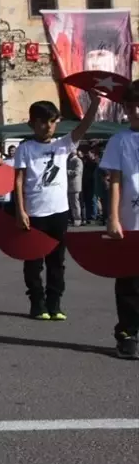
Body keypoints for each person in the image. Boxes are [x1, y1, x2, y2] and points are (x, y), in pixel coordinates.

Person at [14, 96, 99, 321]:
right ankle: (37, 302)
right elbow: (19, 181)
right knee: (33, 262)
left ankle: (55, 303)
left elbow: (84, 126)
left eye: (52, 121)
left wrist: (96, 103)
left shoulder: (63, 145)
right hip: (34, 214)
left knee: (57, 262)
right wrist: (21, 211)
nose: (48, 126)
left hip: (59, 213)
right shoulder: (25, 148)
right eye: (42, 121)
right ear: (32, 123)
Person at [101, 82, 139, 359]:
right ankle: (127, 334)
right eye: (130, 105)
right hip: (130, 220)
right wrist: (113, 218)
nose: (135, 110)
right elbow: (114, 182)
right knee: (129, 283)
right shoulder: (120, 141)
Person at [66, 148, 84, 227]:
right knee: (70, 204)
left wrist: (65, 171)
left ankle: (77, 219)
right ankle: (72, 218)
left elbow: (76, 172)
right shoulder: (68, 161)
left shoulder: (78, 161)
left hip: (74, 186)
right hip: (68, 186)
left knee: (75, 204)